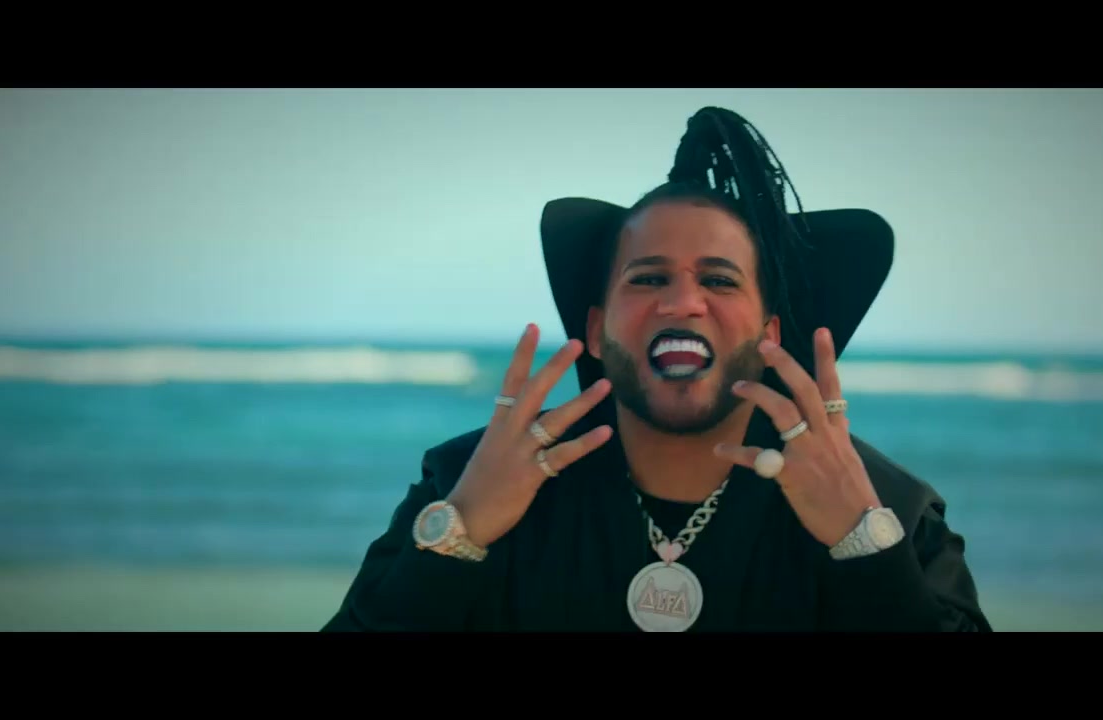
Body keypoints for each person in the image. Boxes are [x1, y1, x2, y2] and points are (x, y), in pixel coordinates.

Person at [321, 106, 991, 632]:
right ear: (595, 328)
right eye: (647, 278)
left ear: (770, 335)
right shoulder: (465, 481)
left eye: (719, 280)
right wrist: (458, 534)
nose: (681, 302)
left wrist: (865, 545)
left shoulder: (889, 508)